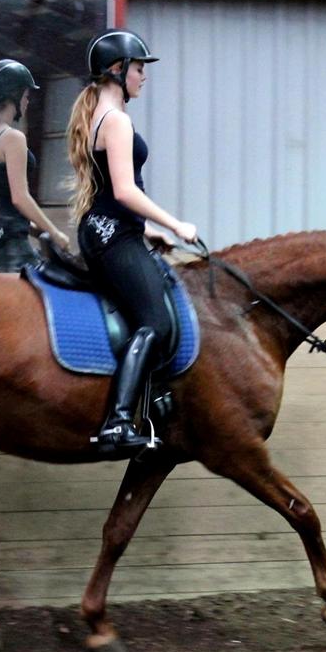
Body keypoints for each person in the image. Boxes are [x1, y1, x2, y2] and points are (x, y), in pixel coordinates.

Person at [66, 29, 198, 454]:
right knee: (156, 323)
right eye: (140, 68)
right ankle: (118, 421)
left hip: (108, 228)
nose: (145, 76)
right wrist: (175, 224)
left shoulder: (96, 117)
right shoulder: (117, 121)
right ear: (118, 70)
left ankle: (149, 398)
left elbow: (108, 193)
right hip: (110, 232)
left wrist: (146, 231)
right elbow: (124, 191)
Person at [0, 59, 69, 272]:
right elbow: (19, 197)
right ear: (13, 96)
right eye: (25, 96)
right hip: (6, 236)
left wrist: (34, 229)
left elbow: (2, 200)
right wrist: (55, 233)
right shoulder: (13, 137)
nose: (27, 102)